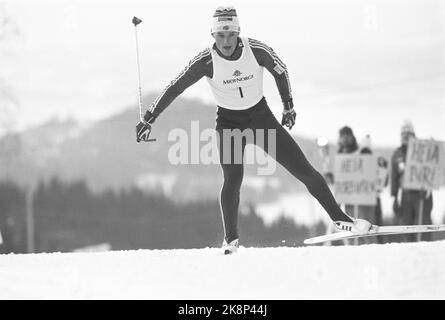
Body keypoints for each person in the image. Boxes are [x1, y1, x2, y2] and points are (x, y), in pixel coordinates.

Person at [136, 6, 372, 254]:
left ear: (238, 32)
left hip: (261, 119)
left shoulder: (255, 49)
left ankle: (340, 219)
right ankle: (231, 240)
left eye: (230, 35)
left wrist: (288, 107)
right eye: (220, 35)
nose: (226, 41)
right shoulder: (205, 60)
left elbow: (280, 70)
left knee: (304, 171)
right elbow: (175, 87)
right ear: (213, 36)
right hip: (229, 123)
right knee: (233, 179)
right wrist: (149, 118)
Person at [390, 120, 433, 242]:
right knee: (406, 224)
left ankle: (424, 248)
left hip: (423, 193)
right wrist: (394, 197)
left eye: (408, 134)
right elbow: (394, 177)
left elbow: (434, 165)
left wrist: (432, 147)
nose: (405, 137)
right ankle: (408, 249)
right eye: (403, 134)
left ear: (413, 134)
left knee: (423, 223)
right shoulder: (397, 154)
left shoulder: (423, 150)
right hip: (406, 194)